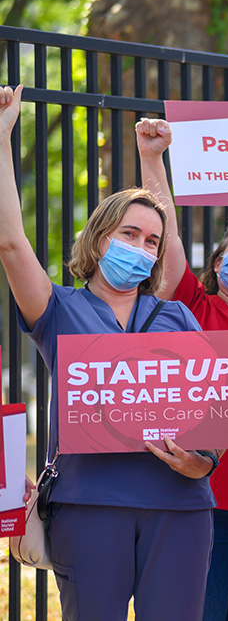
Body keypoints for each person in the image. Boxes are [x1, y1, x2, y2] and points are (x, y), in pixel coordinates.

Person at [0, 85, 217, 620]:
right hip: (90, 508)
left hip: (182, 507)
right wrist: (2, 136)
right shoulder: (58, 309)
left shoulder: (177, 316)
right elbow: (9, 242)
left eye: (152, 241)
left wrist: (202, 461)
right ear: (99, 240)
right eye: (129, 233)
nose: (142, 248)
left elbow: (217, 405)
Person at [136, 117, 228, 621]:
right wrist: (153, 157)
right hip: (200, 499)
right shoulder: (192, 307)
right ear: (218, 265)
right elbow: (170, 236)